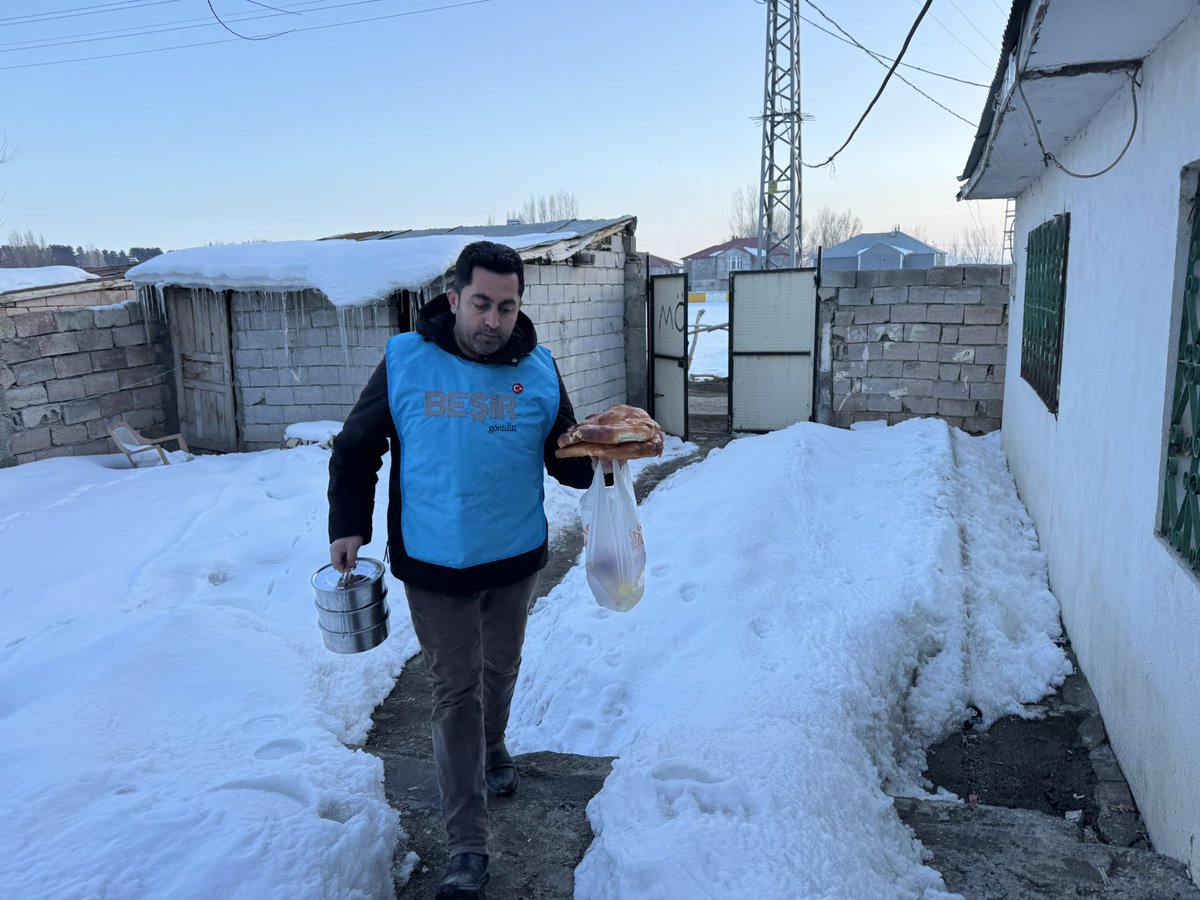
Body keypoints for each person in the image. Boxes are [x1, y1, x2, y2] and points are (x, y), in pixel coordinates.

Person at [327, 240, 598, 899]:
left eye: (507, 307)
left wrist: (604, 452)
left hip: (514, 556)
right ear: (454, 299)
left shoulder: (538, 370)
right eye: (481, 304)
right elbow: (356, 445)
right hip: (434, 560)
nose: (493, 320)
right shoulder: (406, 361)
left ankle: (495, 748)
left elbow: (565, 460)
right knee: (456, 691)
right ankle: (467, 848)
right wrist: (348, 525)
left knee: (500, 668)